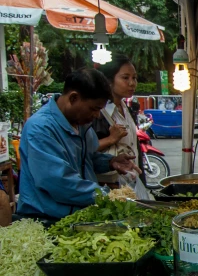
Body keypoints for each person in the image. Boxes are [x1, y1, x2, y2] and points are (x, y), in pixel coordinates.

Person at [17, 69, 140, 220]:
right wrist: (110, 195)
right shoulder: (40, 128)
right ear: (73, 98)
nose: (96, 116)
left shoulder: (81, 124)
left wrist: (110, 162)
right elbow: (59, 182)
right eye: (93, 109)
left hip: (79, 215)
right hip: (46, 218)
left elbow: (86, 158)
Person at [92, 56, 144, 186]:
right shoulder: (98, 112)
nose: (132, 83)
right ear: (109, 80)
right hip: (109, 186)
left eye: (134, 78)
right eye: (125, 78)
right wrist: (111, 139)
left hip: (129, 183)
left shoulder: (126, 108)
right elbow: (83, 150)